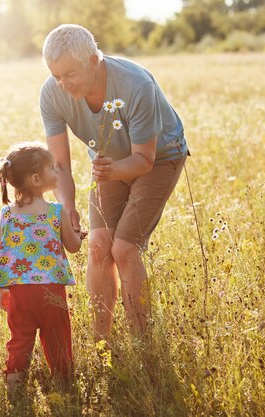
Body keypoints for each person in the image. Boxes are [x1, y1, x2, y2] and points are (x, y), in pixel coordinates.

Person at [39, 24, 188, 340]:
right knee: (97, 246)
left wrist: (112, 170)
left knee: (124, 248)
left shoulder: (136, 85)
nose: (63, 84)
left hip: (159, 158)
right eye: (56, 76)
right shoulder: (51, 94)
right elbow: (60, 164)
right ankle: (100, 341)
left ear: (93, 61)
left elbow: (144, 161)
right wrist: (68, 207)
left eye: (70, 74)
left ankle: (141, 340)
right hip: (108, 162)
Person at [0, 142, 84, 394]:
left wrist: (2, 287)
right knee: (57, 336)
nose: (57, 172)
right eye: (52, 168)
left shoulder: (7, 214)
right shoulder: (56, 212)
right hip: (51, 290)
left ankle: (14, 387)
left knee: (20, 338)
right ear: (35, 179)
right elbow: (73, 247)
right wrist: (77, 234)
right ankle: (64, 385)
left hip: (19, 291)